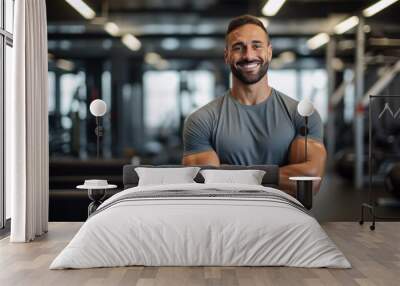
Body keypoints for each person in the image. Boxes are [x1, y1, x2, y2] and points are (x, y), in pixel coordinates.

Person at [182, 15, 326, 195]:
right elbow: (204, 187)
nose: (248, 55)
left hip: (284, 219)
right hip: (226, 220)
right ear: (226, 56)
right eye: (238, 47)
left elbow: (309, 183)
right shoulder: (201, 120)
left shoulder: (302, 116)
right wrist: (276, 175)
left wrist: (228, 173)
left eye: (256, 45)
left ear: (269, 52)